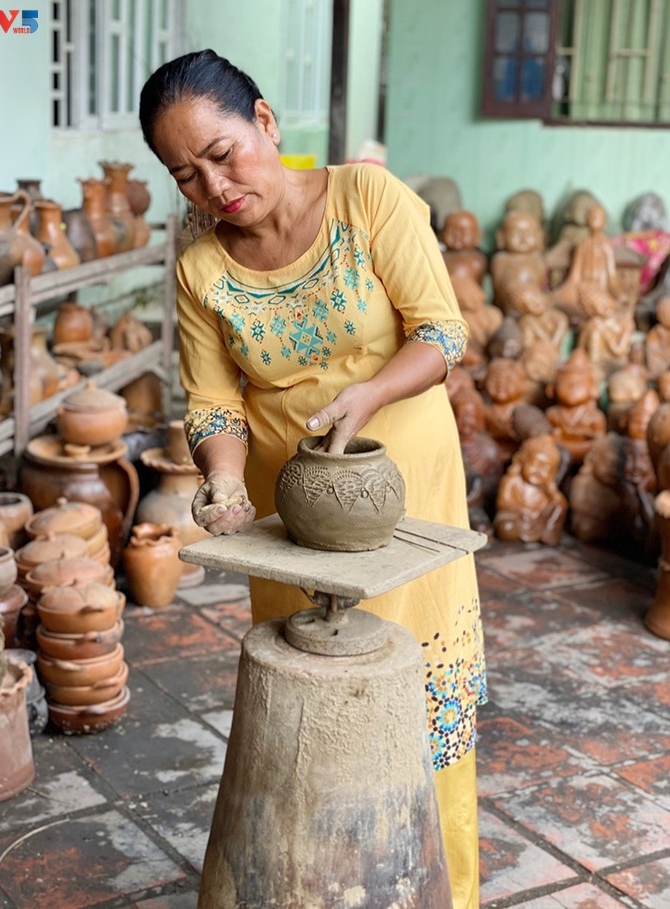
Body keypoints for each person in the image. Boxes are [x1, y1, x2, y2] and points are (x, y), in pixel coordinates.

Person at [139, 49, 486, 908]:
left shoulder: (369, 200)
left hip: (402, 489)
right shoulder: (201, 266)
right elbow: (215, 403)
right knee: (307, 721)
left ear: (265, 120)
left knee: (414, 707)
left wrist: (365, 394)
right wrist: (221, 480)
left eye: (222, 154)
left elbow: (443, 334)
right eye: (186, 176)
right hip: (295, 514)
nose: (214, 187)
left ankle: (441, 893)